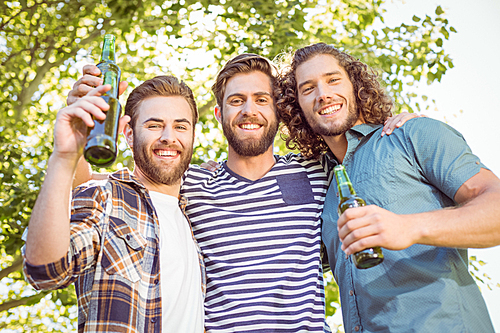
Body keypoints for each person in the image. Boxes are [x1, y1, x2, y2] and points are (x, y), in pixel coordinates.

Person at [67, 54, 416, 332]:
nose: (249, 110)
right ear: (220, 114)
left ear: (277, 111)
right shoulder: (189, 183)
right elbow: (89, 185)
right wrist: (77, 130)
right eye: (237, 100)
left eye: (261, 99)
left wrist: (396, 125)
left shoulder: (317, 170)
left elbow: (362, 154)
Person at [278, 42, 500, 332]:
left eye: (333, 80)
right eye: (308, 89)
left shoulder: (411, 134)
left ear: (355, 85)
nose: (323, 94)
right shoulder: (323, 185)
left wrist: (409, 227)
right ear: (298, 106)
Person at [22, 76, 206, 332]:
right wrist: (64, 159)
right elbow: (47, 271)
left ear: (193, 135)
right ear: (129, 134)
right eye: (154, 125)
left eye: (180, 127)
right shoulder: (106, 197)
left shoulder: (199, 211)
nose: (168, 137)